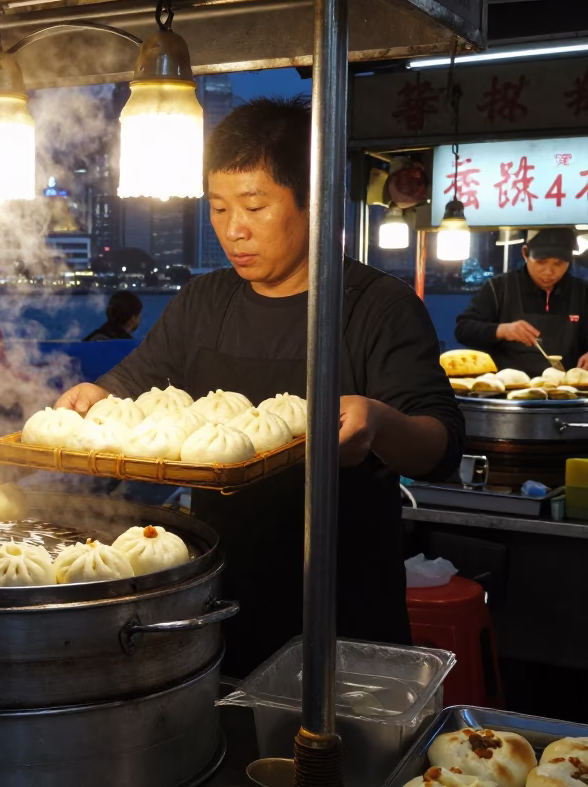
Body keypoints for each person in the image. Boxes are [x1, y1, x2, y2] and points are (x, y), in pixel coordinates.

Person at [54, 97, 465, 677]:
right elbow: (136, 379)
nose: (233, 229)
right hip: (216, 596)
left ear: (312, 201)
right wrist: (96, 394)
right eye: (218, 209)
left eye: (254, 206)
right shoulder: (204, 300)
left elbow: (442, 447)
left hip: (338, 607)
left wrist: (379, 420)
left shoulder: (379, 308)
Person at [454, 228, 588, 375]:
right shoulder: (499, 288)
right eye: (541, 262)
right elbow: (463, 330)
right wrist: (503, 330)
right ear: (525, 253)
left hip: (569, 390)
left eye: (559, 263)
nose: (549, 272)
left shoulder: (582, 291)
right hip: (506, 390)